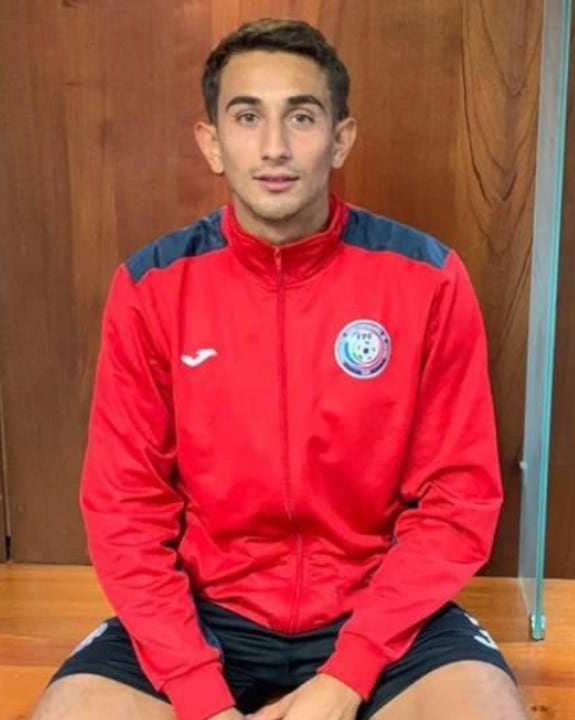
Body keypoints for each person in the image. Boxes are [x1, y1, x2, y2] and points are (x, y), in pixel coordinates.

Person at [30, 17, 528, 720]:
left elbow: (457, 500)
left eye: (301, 116)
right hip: (207, 610)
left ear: (340, 139)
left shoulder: (427, 278)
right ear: (211, 143)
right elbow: (124, 509)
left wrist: (346, 676)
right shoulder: (151, 286)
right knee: (70, 713)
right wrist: (200, 695)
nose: (274, 146)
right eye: (246, 117)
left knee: (486, 712)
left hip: (379, 612)